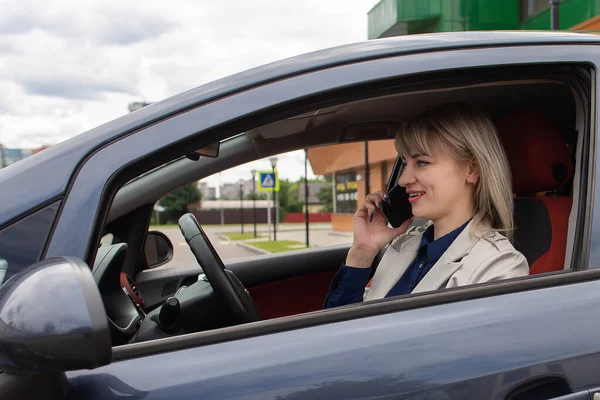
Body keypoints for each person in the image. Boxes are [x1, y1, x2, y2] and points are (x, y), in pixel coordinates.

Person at [324, 103, 528, 308]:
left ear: (472, 169)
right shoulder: (403, 244)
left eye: (422, 162)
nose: (403, 180)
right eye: (405, 164)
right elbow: (343, 329)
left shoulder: (498, 265)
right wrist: (363, 251)